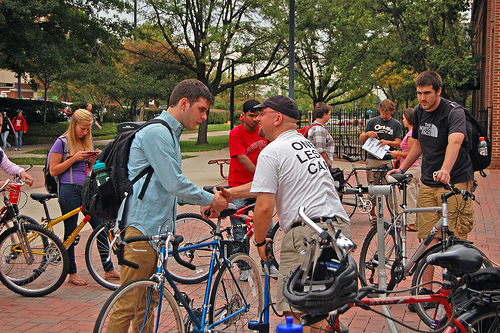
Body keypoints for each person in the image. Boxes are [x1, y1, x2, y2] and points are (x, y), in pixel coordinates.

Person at [212, 95, 351, 331]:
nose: (257, 120)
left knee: (295, 312)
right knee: (318, 306)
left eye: (261, 114)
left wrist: (259, 241)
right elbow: (271, 183)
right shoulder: (304, 145)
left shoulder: (272, 150)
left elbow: (265, 207)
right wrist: (231, 194)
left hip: (307, 234)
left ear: (277, 118)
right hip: (337, 228)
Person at [106, 79, 228, 331]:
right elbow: (174, 183)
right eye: (202, 109)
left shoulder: (170, 132)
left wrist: (198, 201)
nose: (204, 117)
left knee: (148, 303)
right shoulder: (157, 133)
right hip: (141, 230)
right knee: (128, 303)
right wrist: (210, 199)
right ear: (184, 103)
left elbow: (164, 186)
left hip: (156, 232)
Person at [388, 70, 474, 297]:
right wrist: (402, 168)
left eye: (427, 93)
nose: (422, 98)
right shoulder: (418, 112)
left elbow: (455, 142)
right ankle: (425, 292)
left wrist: (446, 170)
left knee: (455, 238)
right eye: (419, 93)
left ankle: (456, 293)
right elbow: (417, 144)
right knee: (428, 238)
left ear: (438, 91)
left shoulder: (453, 112)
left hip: (455, 182)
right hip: (428, 182)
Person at [49, 109, 120, 286]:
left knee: (100, 226)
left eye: (88, 129)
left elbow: (90, 168)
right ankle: (71, 272)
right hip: (68, 189)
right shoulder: (62, 142)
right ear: (74, 125)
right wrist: (74, 158)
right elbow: (53, 170)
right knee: (71, 230)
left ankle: (108, 268)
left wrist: (92, 158)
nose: (86, 132)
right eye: (83, 129)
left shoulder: (86, 141)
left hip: (87, 189)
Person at [228, 99, 276, 278]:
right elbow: (242, 158)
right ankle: (244, 268)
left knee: (267, 227)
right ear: (243, 116)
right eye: (252, 116)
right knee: (240, 230)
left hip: (259, 188)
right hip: (239, 186)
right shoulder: (236, 133)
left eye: (258, 116)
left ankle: (268, 264)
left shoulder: (263, 132)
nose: (256, 119)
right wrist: (261, 175)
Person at [359, 99, 402, 222]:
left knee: (390, 188)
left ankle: (395, 215)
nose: (385, 116)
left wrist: (387, 142)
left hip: (387, 159)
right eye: (383, 113)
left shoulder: (396, 124)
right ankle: (372, 213)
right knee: (373, 187)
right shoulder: (372, 122)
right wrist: (368, 134)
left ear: (391, 112)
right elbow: (361, 138)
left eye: (387, 113)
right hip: (373, 158)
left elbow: (398, 142)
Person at [390, 108, 420, 231]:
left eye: (403, 118)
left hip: (411, 168)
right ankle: (411, 220)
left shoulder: (412, 134)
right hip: (409, 168)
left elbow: (412, 154)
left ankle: (412, 222)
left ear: (408, 119)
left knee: (410, 196)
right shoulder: (410, 133)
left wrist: (398, 153)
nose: (403, 121)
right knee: (409, 195)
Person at [306, 102, 335, 168]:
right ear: (324, 115)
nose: (329, 117)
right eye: (329, 115)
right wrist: (326, 165)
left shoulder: (315, 127)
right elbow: (320, 150)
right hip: (321, 164)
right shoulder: (319, 129)